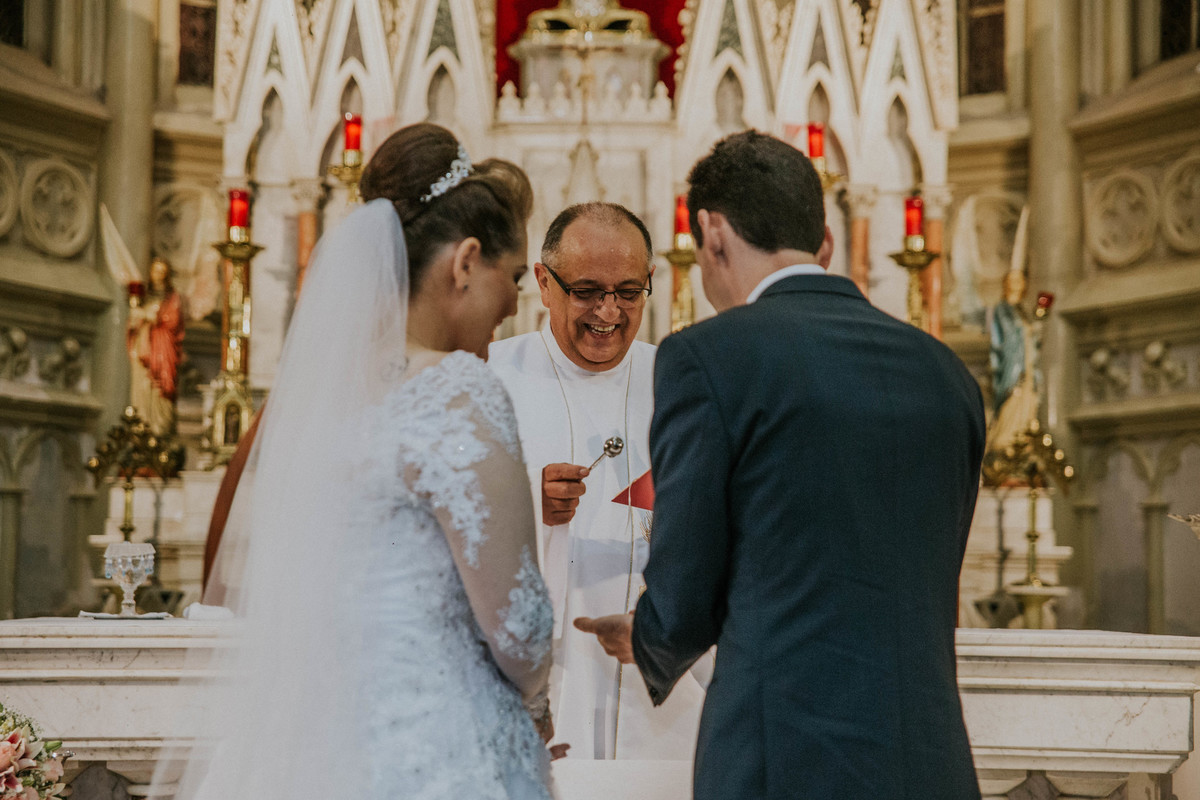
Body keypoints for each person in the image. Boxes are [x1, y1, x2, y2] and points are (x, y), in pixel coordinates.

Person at [576, 130, 985, 799]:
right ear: (823, 239)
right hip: (931, 760)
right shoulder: (945, 372)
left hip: (784, 760)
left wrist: (647, 638)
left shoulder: (709, 358)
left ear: (711, 233)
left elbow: (685, 585)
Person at [165, 123, 556, 799]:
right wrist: (539, 692)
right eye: (513, 276)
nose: (517, 303)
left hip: (317, 746)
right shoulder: (458, 392)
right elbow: (520, 629)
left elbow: (244, 585)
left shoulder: (314, 402)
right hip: (441, 752)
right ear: (464, 262)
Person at [489, 203, 705, 761]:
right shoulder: (491, 376)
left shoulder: (683, 382)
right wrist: (526, 506)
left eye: (628, 292)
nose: (608, 311)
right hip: (539, 675)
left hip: (660, 690)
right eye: (587, 290)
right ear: (544, 281)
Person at [127, 257, 184, 434]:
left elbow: (173, 321)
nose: (158, 275)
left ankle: (160, 427)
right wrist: (136, 316)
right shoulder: (145, 297)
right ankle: (142, 423)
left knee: (162, 385)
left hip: (162, 348)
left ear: (167, 275)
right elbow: (133, 324)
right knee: (143, 384)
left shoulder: (172, 298)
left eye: (161, 271)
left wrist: (151, 316)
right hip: (144, 347)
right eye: (155, 270)